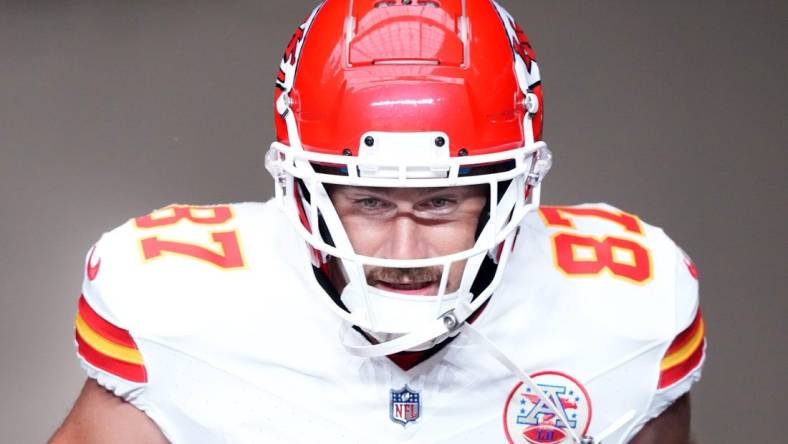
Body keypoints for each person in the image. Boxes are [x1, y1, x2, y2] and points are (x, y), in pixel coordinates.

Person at [50, 1, 704, 443]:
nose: (404, 246)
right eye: (368, 202)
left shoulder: (625, 308)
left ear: (515, 188)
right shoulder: (176, 301)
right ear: (304, 191)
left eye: (440, 203)